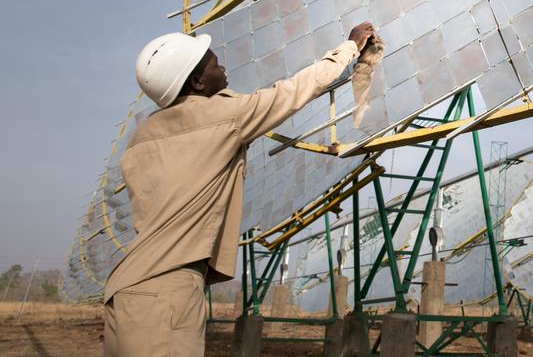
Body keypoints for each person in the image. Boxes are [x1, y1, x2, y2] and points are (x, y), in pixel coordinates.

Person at [103, 21, 381, 356]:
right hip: (167, 292)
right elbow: (293, 91)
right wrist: (351, 47)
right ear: (197, 81)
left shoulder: (142, 137)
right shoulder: (225, 118)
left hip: (127, 288)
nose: (222, 67)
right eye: (214, 63)